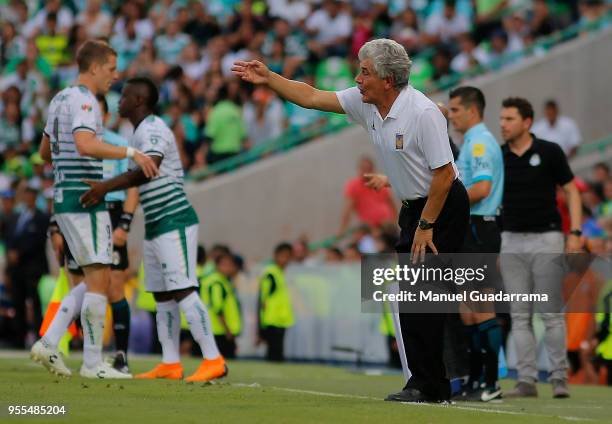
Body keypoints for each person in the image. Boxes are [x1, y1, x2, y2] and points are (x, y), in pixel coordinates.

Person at [233, 38, 470, 403]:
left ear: (387, 81)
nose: (357, 79)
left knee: (425, 295)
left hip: (442, 207)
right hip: (415, 207)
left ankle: (433, 383)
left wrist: (426, 226)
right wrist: (270, 78)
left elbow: (444, 177)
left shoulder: (422, 113)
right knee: (414, 296)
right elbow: (312, 97)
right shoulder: (367, 103)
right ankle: (429, 384)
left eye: (365, 72)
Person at [80, 76, 227, 383]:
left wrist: (105, 187)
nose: (119, 101)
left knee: (184, 288)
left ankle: (214, 358)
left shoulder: (154, 128)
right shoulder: (137, 133)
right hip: (156, 222)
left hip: (175, 218)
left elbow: (149, 167)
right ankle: (170, 363)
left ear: (138, 101)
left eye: (124, 97)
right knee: (162, 296)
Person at [31, 40, 157, 379]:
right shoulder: (86, 101)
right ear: (95, 67)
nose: (115, 77)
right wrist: (131, 154)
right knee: (100, 280)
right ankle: (91, 364)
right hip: (86, 199)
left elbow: (45, 151)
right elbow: (85, 145)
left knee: (91, 279)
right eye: (112, 69)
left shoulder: (60, 98)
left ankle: (50, 341)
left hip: (65, 198)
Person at [499, 97, 583, 398]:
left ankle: (559, 377)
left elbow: (572, 191)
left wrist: (574, 232)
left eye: (509, 119)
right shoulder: (499, 156)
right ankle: (527, 381)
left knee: (551, 313)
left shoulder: (549, 151)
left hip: (547, 238)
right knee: (519, 315)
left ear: (527, 122)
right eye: (502, 119)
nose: (503, 124)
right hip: (511, 240)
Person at [448, 86, 504, 402]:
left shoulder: (480, 143)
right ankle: (476, 378)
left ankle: (491, 382)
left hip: (479, 228)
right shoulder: (471, 141)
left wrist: (448, 203)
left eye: (456, 110)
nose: (452, 115)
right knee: (468, 310)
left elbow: (482, 188)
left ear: (471, 110)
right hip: (470, 229)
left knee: (481, 307)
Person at [5, 184, 49, 348]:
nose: (28, 197)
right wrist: (11, 254)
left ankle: (39, 338)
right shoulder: (16, 216)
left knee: (35, 303)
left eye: (31, 194)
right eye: (26, 194)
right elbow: (9, 237)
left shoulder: (41, 217)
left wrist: (19, 252)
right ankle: (19, 339)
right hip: (16, 268)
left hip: (33, 267)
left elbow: (38, 241)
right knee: (17, 302)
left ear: (35, 197)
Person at [338, 155, 396, 236]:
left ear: (373, 169)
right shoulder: (353, 186)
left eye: (369, 169)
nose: (366, 172)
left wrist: (395, 222)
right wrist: (342, 230)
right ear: (359, 169)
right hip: (368, 228)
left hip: (386, 226)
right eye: (363, 169)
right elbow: (347, 210)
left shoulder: (379, 182)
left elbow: (391, 204)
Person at [257, 243, 295, 362]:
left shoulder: (280, 273)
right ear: (275, 256)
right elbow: (262, 299)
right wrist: (261, 326)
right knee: (274, 353)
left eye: (288, 256)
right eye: (282, 256)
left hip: (280, 320)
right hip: (272, 320)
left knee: (278, 353)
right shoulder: (270, 274)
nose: (285, 259)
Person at [201, 252, 242, 359]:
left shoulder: (223, 281)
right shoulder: (216, 282)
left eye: (230, 265)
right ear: (217, 265)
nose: (228, 268)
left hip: (219, 330)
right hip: (218, 331)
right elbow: (217, 308)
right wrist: (227, 330)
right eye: (224, 264)